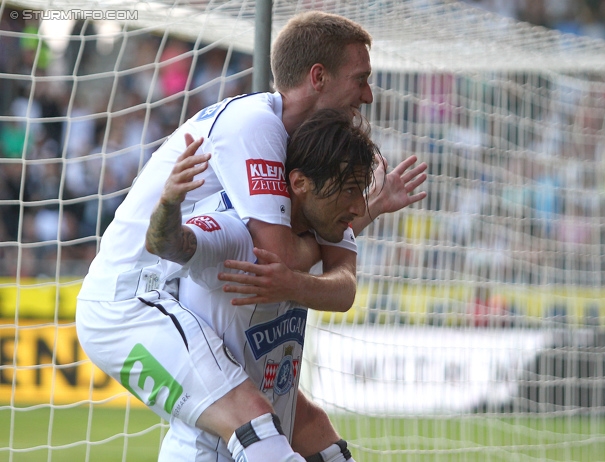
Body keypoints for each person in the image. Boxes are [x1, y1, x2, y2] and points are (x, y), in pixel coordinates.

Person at [75, 10, 427, 462]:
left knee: (312, 428)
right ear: (318, 77)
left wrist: (360, 213)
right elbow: (275, 257)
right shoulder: (255, 127)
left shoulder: (314, 171)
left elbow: (337, 282)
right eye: (360, 79)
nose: (369, 95)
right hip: (131, 303)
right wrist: (344, 229)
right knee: (251, 418)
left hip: (182, 293)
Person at [147, 108, 377, 461]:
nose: (358, 208)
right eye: (349, 191)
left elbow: (344, 288)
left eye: (361, 193)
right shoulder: (237, 232)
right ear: (299, 183)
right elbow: (168, 244)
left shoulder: (315, 234)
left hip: (266, 442)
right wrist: (168, 203)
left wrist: (292, 284)